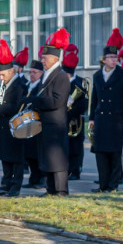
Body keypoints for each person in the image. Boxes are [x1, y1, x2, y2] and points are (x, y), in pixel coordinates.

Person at [23, 28, 71, 196]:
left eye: (45, 58)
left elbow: (56, 101)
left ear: (54, 58)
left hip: (55, 124)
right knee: (48, 158)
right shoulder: (48, 75)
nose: (42, 60)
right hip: (45, 123)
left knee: (57, 159)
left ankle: (61, 190)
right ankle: (50, 188)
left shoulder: (61, 76)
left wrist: (34, 100)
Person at [88, 31, 123, 193]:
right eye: (111, 58)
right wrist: (92, 118)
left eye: (116, 58)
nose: (114, 60)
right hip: (101, 119)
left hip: (117, 118)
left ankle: (113, 185)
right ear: (104, 59)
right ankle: (103, 184)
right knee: (101, 153)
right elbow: (94, 98)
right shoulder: (97, 75)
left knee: (116, 153)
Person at [0, 39, 26, 197]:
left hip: (15, 126)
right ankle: (5, 184)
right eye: (0, 74)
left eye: (3, 74)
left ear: (11, 71)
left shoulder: (18, 85)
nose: (1, 77)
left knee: (16, 159)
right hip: (4, 126)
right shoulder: (5, 84)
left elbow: (17, 106)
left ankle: (15, 186)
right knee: (5, 158)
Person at [62, 46, 87, 180]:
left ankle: (75, 170)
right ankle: (67, 169)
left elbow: (82, 105)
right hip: (64, 119)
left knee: (75, 146)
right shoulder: (63, 82)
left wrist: (68, 112)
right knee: (66, 146)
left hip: (74, 120)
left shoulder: (79, 83)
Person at [22, 60, 44, 189]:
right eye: (30, 72)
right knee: (29, 153)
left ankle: (41, 178)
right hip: (27, 123)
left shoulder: (41, 86)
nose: (32, 75)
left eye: (34, 72)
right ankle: (33, 178)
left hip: (37, 123)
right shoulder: (27, 85)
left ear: (41, 73)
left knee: (37, 153)